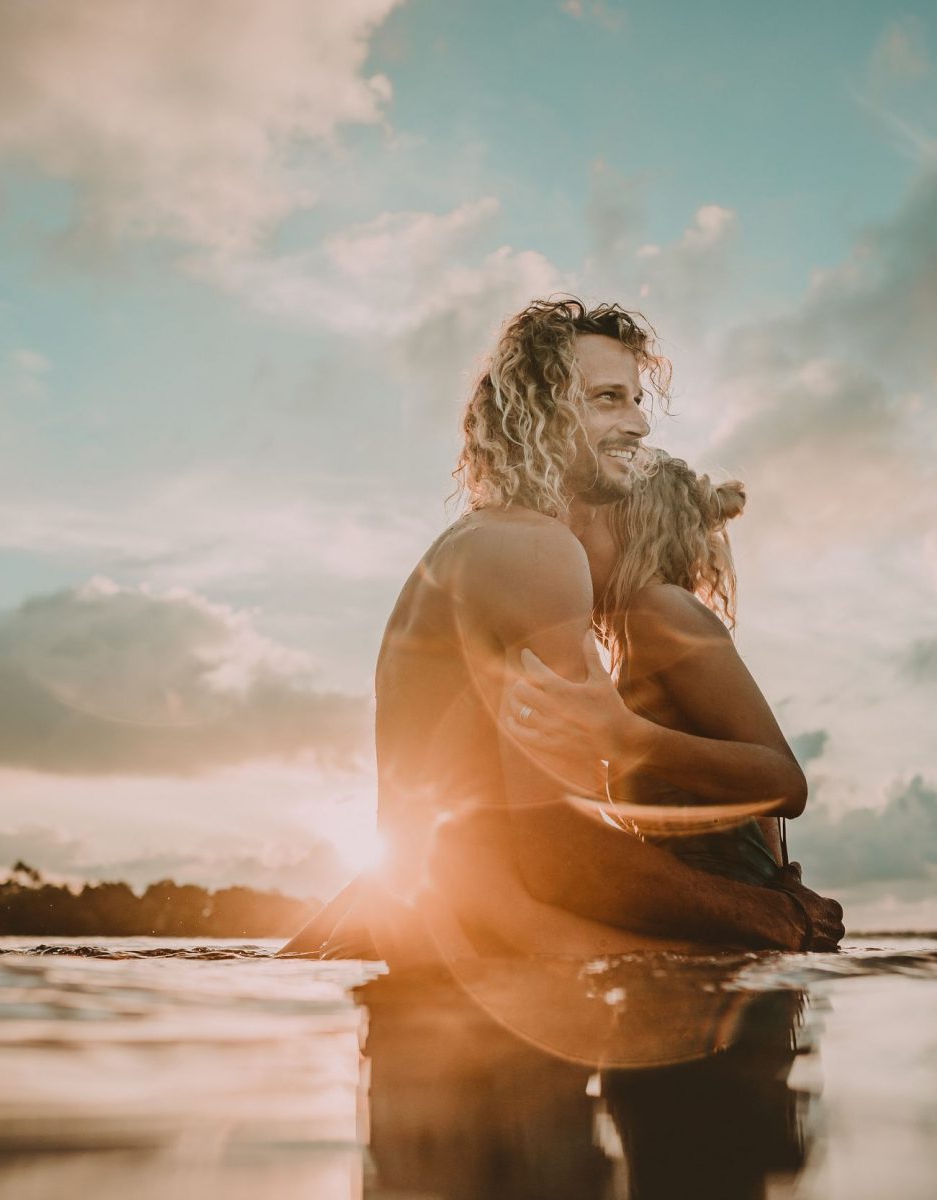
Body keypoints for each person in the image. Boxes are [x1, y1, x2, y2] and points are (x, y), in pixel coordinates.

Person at [281, 298, 842, 960]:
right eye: (609, 398)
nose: (637, 423)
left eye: (637, 401)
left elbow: (435, 851)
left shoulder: (475, 548)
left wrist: (301, 954)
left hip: (440, 985)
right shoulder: (540, 553)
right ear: (543, 412)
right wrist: (776, 917)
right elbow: (567, 857)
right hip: (485, 1018)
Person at [507, 449, 803, 890]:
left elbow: (785, 783)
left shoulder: (658, 609)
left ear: (635, 525)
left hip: (729, 935)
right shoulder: (630, 636)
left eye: (584, 521)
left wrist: (621, 738)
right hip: (710, 923)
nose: (567, 537)